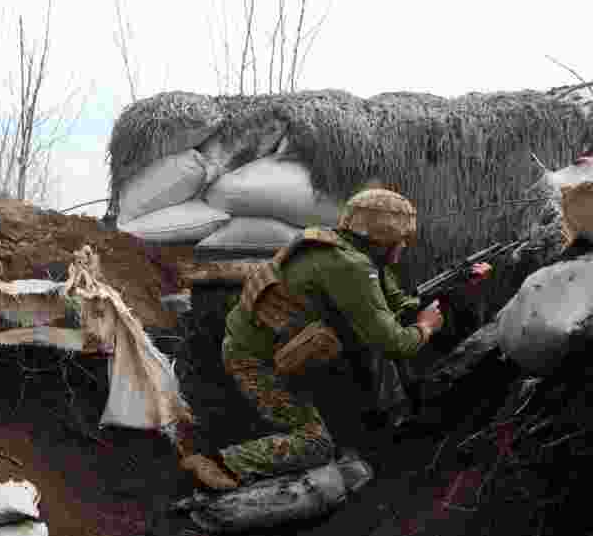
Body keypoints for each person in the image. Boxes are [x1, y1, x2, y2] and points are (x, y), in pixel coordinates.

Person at [180, 188, 490, 491]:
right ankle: (219, 461)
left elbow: (394, 304)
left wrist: (454, 288)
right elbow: (396, 342)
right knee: (316, 444)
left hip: (279, 346)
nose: (404, 246)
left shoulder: (347, 250)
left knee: (367, 345)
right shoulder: (350, 266)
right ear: (381, 240)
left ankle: (386, 427)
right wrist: (426, 327)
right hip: (254, 363)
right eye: (401, 240)